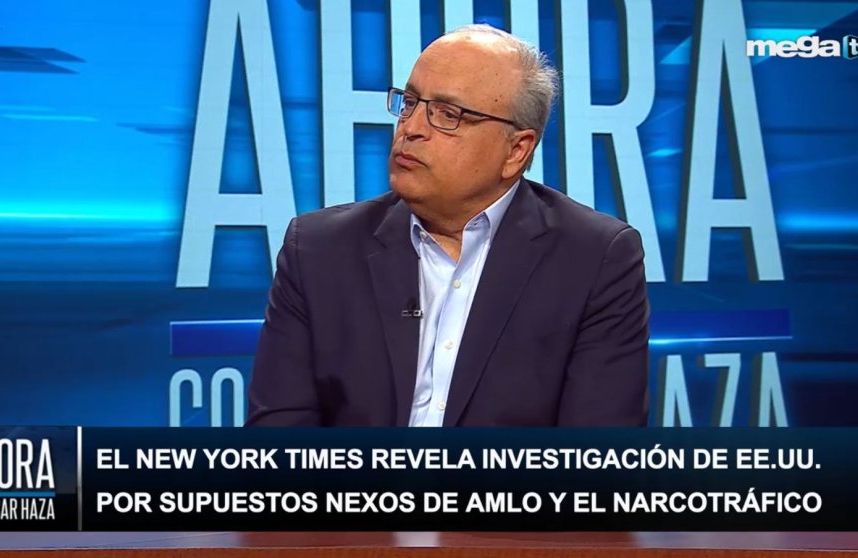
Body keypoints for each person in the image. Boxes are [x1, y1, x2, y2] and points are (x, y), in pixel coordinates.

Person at [247, 24, 649, 427]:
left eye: (447, 114)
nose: (411, 128)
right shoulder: (318, 251)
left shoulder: (594, 259)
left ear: (516, 150)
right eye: (409, 103)